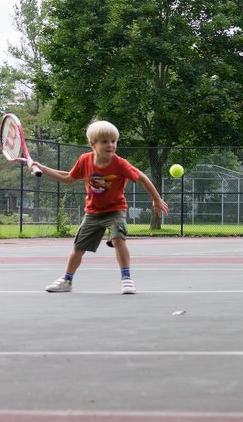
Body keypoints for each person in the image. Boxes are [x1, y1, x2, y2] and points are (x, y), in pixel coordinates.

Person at [30, 120, 169, 295]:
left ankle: (126, 278)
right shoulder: (85, 160)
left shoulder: (120, 164)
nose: (110, 145)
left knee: (118, 239)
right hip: (93, 212)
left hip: (115, 210)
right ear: (92, 144)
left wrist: (156, 199)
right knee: (78, 248)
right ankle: (67, 280)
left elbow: (142, 177)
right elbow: (69, 178)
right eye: (104, 141)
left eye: (113, 141)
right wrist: (44, 169)